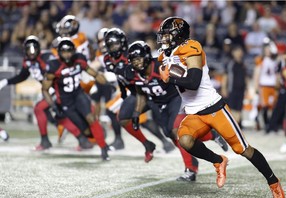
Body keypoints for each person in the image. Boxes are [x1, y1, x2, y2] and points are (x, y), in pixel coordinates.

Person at [157, 16, 285, 198]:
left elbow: (193, 81)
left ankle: (274, 184)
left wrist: (170, 78)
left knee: (243, 150)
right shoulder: (165, 55)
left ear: (179, 35)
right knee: (184, 140)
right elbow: (163, 75)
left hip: (213, 107)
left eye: (168, 35)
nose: (164, 39)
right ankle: (218, 161)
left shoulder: (192, 48)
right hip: (194, 112)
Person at [128, 41, 228, 181]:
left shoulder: (160, 65)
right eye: (133, 60)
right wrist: (136, 113)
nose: (136, 63)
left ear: (146, 56)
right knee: (170, 134)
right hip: (159, 104)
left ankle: (190, 169)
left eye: (138, 58)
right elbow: (141, 94)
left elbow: (183, 77)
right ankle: (211, 135)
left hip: (176, 99)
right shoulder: (135, 74)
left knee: (176, 131)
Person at [0, 35, 91, 151]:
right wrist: (6, 81)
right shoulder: (27, 61)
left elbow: (58, 73)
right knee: (58, 117)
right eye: (29, 49)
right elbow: (22, 76)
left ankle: (45, 141)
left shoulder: (47, 57)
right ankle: (83, 140)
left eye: (34, 49)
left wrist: (52, 91)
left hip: (59, 90)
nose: (32, 52)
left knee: (39, 109)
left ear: (38, 48)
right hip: (51, 91)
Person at [103, 28, 175, 159]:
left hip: (147, 89)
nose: (113, 48)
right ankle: (145, 143)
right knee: (125, 117)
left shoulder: (131, 55)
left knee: (162, 124)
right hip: (133, 92)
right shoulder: (107, 58)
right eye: (110, 45)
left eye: (115, 44)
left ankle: (169, 143)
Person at [41, 37, 110, 161]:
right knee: (86, 132)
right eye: (64, 52)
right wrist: (53, 106)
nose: (67, 54)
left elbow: (93, 73)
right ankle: (100, 135)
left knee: (91, 118)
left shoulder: (79, 59)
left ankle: (104, 148)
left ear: (74, 51)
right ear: (59, 52)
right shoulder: (54, 66)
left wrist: (106, 83)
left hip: (79, 94)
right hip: (65, 101)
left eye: (69, 51)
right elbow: (45, 89)